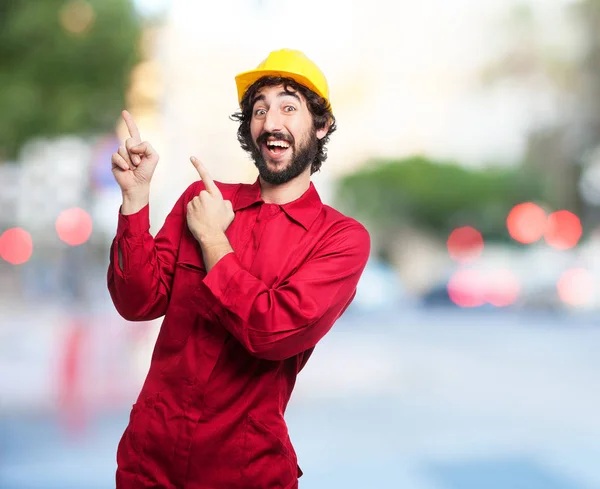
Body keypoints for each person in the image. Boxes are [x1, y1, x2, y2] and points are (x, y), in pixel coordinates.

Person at [108, 48, 371, 489]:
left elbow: (271, 332)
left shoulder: (340, 239)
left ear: (321, 126)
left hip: (245, 471)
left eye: (289, 107)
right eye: (259, 109)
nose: (271, 122)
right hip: (149, 462)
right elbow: (137, 302)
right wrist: (135, 198)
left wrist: (213, 240)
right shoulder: (205, 198)